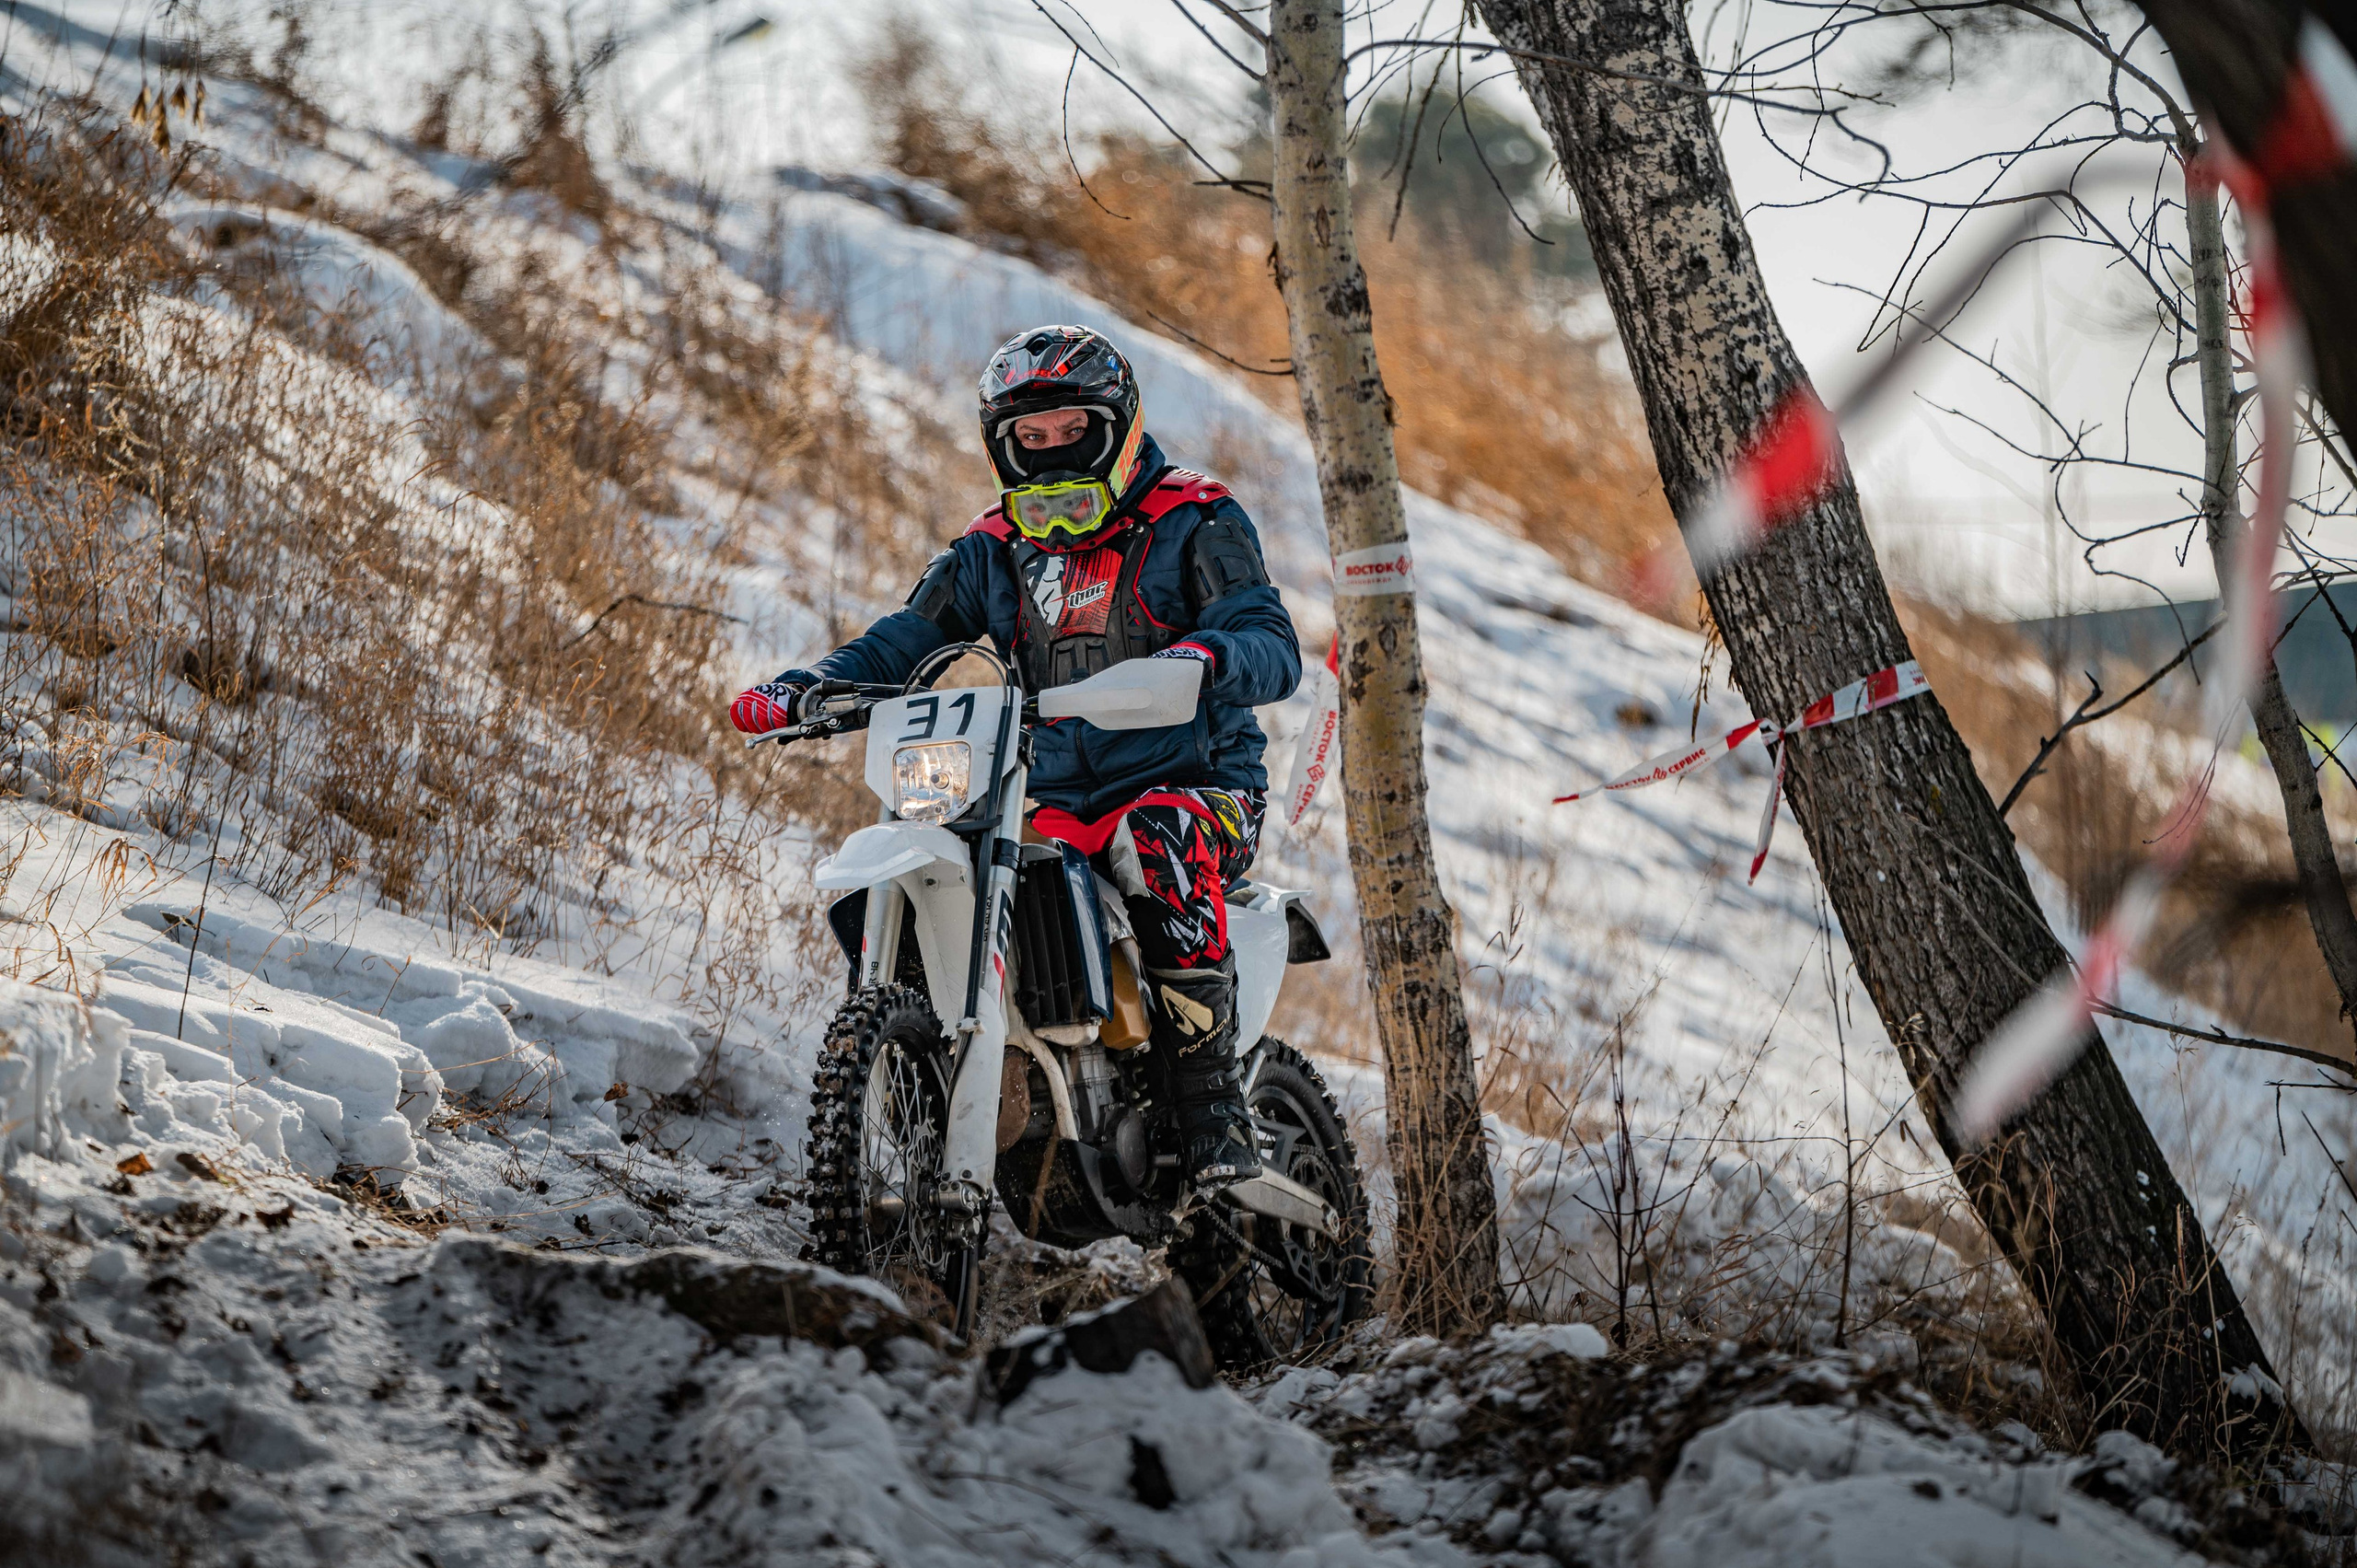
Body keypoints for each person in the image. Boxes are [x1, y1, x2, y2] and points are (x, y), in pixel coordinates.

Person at [731, 324, 1302, 1190]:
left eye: (1071, 430)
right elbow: (908, 638)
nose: (1050, 452)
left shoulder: (1196, 516)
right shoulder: (993, 545)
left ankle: (1209, 1105)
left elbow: (1269, 636)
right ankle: (931, 1102)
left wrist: (1205, 657)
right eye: (1027, 439)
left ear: (1116, 425)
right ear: (1002, 446)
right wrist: (815, 684)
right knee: (925, 862)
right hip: (1047, 798)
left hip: (1198, 787)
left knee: (1157, 835)